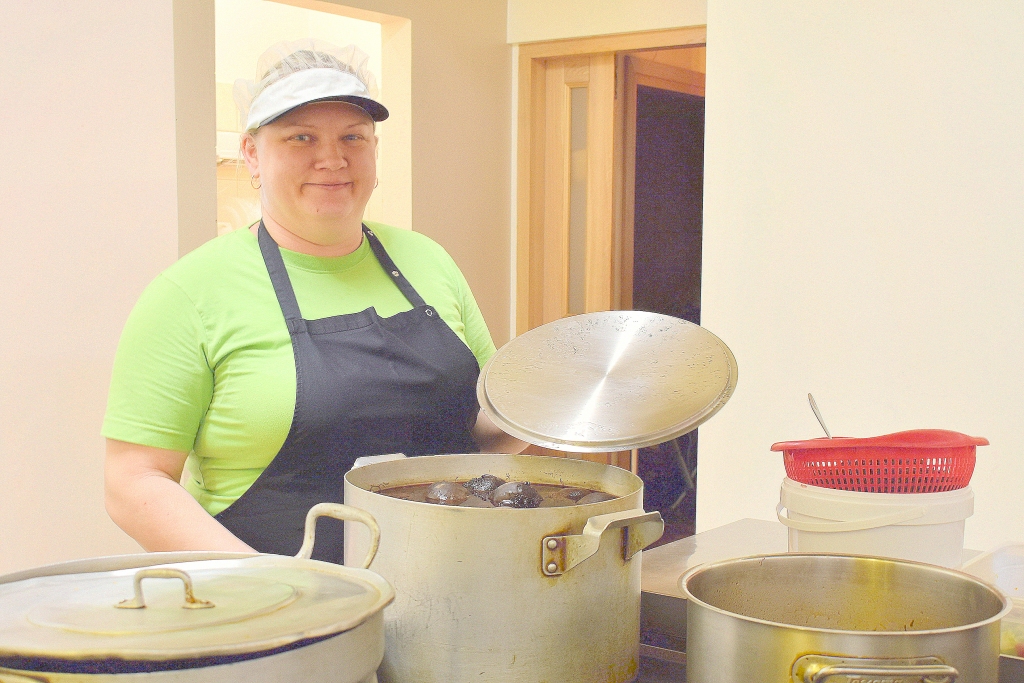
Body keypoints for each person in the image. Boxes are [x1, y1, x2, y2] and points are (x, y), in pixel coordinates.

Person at [103, 40, 524, 563]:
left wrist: (556, 402)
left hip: (460, 581)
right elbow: (133, 482)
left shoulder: (427, 258)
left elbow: (481, 427)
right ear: (252, 154)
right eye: (301, 138)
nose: (332, 159)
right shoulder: (191, 293)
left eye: (353, 137)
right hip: (279, 613)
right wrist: (265, 584)